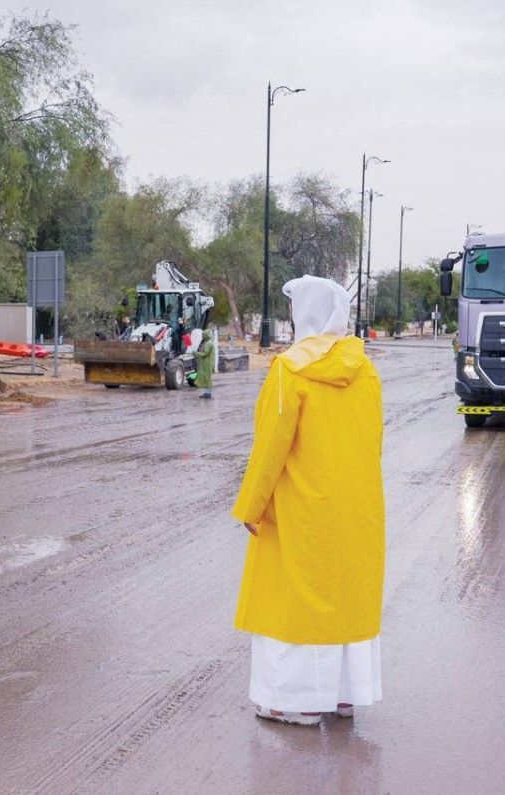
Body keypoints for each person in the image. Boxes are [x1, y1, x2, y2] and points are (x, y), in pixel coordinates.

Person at [231, 274, 385, 726]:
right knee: (346, 598)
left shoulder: (289, 370)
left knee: (291, 604)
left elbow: (270, 448)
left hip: (300, 508)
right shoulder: (364, 368)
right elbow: (374, 441)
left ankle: (295, 703)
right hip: (356, 507)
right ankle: (344, 695)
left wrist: (251, 506)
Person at [194, 328, 215, 399]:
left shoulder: (208, 344)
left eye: (203, 335)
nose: (202, 337)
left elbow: (205, 353)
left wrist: (196, 353)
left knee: (206, 379)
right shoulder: (209, 342)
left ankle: (208, 393)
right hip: (208, 363)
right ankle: (207, 393)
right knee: (207, 378)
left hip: (207, 363)